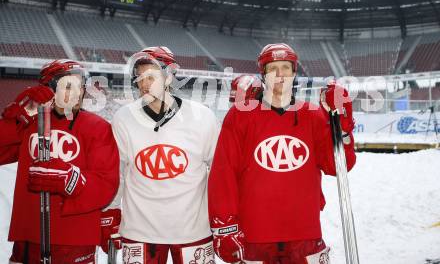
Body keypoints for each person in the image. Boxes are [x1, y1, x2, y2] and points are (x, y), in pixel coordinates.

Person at [208, 43, 356, 264]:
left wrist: (342, 130)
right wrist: (224, 225)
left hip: (304, 234)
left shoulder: (313, 115)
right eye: (272, 68)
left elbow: (337, 167)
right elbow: (224, 173)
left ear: (294, 72)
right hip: (256, 235)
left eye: (286, 67)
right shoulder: (240, 115)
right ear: (263, 74)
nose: (280, 74)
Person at [106, 46, 219, 264]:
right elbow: (117, 173)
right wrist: (110, 211)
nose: (144, 84)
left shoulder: (202, 117)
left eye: (151, 76)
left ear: (168, 77)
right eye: (139, 77)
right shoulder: (123, 118)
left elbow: (219, 172)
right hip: (140, 231)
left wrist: (223, 218)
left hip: (192, 230)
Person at [0, 59, 120, 264]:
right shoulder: (29, 124)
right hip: (29, 235)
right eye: (67, 86)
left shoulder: (98, 127)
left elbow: (107, 182)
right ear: (48, 90)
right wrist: (17, 118)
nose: (75, 93)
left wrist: (69, 179)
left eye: (79, 86)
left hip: (76, 237)